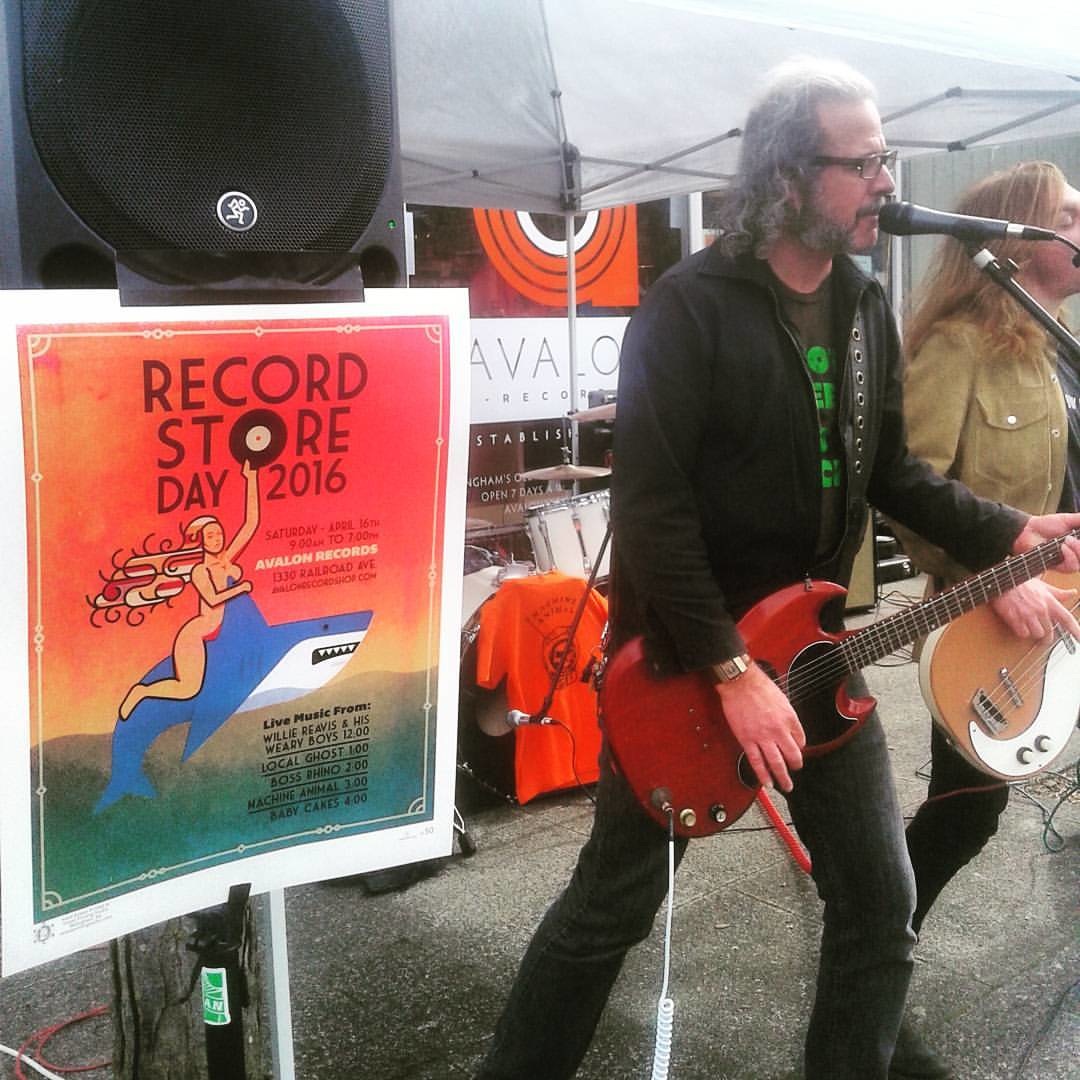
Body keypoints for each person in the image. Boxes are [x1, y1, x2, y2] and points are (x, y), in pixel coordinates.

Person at [474, 59, 1080, 1080]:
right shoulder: (689, 306)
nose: (886, 182)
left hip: (815, 654)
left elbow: (891, 472)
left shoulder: (862, 301)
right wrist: (729, 670)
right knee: (612, 907)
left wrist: (1009, 531)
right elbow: (651, 511)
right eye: (863, 163)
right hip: (683, 662)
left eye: (887, 158)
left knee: (879, 907)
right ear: (788, 177)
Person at [888, 161, 1080, 1074]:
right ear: (1014, 236)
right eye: (1068, 214)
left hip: (1062, 603)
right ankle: (874, 957)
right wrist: (994, 573)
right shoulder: (957, 346)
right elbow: (906, 497)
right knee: (967, 812)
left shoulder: (1052, 344)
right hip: (982, 621)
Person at [120, 458, 259, 719]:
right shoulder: (199, 570)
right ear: (201, 541)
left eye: (219, 533)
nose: (217, 539)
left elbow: (250, 524)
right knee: (187, 689)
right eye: (210, 536)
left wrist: (251, 478)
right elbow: (213, 599)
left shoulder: (225, 560)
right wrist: (241, 588)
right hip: (195, 635)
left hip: (220, 633)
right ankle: (142, 692)